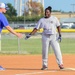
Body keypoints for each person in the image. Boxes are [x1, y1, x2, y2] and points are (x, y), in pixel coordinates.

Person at [25, 6, 64, 70]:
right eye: (45, 12)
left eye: (48, 12)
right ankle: (44, 65)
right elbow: (36, 28)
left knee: (57, 51)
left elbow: (58, 26)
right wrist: (30, 34)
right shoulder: (42, 20)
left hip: (53, 36)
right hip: (45, 37)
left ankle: (61, 64)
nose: (46, 13)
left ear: (50, 13)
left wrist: (60, 35)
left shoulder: (54, 18)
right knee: (45, 52)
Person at [0, 2, 22, 70]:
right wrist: (16, 34)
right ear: (1, 8)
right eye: (5, 8)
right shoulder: (1, 16)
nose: (6, 10)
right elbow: (8, 27)